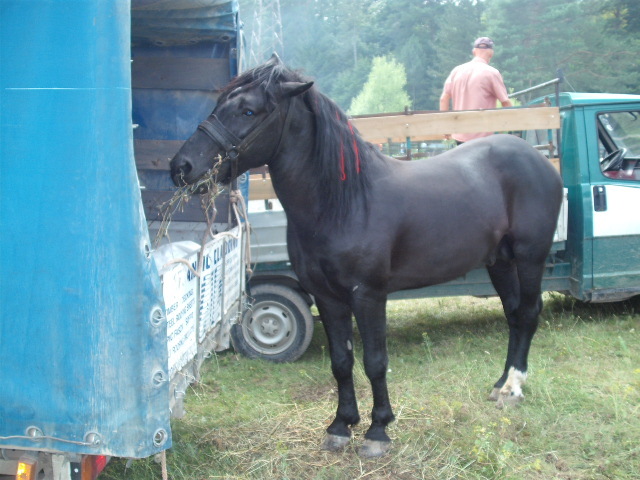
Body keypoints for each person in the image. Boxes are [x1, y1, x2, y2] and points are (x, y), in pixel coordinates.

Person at [439, 37, 512, 144]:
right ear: (491, 53)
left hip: (460, 136)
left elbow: (443, 99)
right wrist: (511, 124)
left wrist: (446, 127)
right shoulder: (491, 73)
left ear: (474, 52)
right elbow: (505, 102)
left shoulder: (456, 71)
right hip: (482, 139)